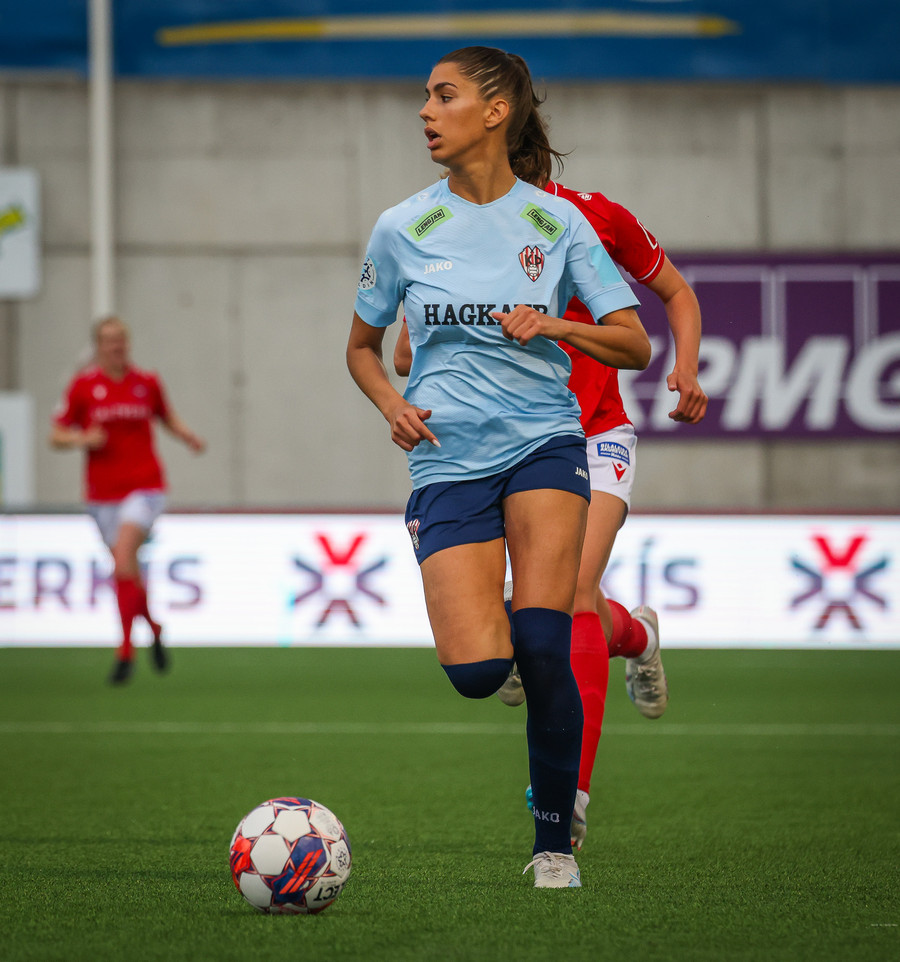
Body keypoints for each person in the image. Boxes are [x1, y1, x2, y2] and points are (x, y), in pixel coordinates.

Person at [346, 45, 651, 888]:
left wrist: (555, 325)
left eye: (442, 95)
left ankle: (554, 847)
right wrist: (391, 404)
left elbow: (633, 342)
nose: (424, 111)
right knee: (479, 672)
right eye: (425, 96)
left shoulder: (557, 224)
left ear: (495, 111)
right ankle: (535, 625)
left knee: (546, 643)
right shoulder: (402, 226)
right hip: (447, 463)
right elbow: (362, 348)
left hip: (545, 442)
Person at [393, 183, 708, 851]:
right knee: (561, 607)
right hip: (497, 441)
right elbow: (402, 354)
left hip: (592, 435)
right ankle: (637, 636)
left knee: (572, 595)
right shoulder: (456, 226)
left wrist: (686, 367)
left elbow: (675, 292)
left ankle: (571, 800)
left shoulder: (593, 217)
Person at [50, 316, 206, 685]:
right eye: (109, 340)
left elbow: (166, 416)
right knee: (127, 571)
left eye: (121, 339)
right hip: (102, 494)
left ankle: (124, 653)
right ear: (99, 346)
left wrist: (188, 436)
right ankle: (154, 628)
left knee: (123, 559)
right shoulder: (83, 387)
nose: (117, 346)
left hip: (144, 487)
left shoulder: (146, 383)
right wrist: (82, 439)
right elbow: (56, 435)